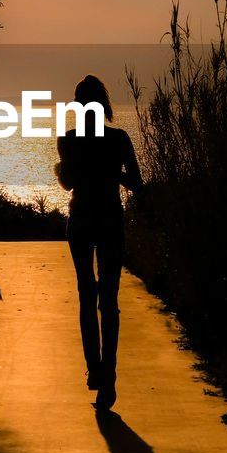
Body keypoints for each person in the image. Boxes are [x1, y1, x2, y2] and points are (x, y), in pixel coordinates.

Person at [56, 74, 143, 410]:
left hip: (81, 221)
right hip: (109, 220)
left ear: (78, 106)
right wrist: (113, 174)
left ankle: (95, 369)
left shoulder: (68, 140)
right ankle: (109, 377)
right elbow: (136, 183)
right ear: (104, 105)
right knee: (109, 300)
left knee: (86, 294)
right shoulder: (119, 139)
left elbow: (67, 184)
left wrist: (62, 172)